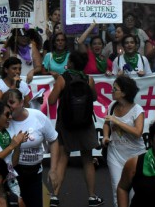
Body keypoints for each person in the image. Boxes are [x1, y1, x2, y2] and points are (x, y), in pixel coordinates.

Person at [47, 51, 103, 207]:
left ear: (70, 63)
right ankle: (92, 197)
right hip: (85, 123)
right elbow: (94, 98)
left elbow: (51, 101)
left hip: (66, 124)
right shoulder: (88, 79)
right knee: (87, 159)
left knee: (63, 157)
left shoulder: (62, 79)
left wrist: (57, 87)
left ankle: (54, 196)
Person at [3, 88, 59, 207]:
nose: (9, 106)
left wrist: (53, 170)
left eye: (12, 102)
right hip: (12, 173)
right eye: (6, 103)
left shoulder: (37, 116)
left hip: (35, 173)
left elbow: (53, 140)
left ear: (22, 102)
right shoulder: (4, 120)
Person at [102, 75, 145, 207]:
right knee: (117, 190)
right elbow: (106, 123)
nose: (111, 91)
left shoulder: (137, 110)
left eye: (115, 89)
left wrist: (117, 121)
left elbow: (138, 132)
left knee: (134, 192)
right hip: (115, 154)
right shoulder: (112, 105)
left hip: (135, 156)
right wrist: (105, 136)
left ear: (125, 92)